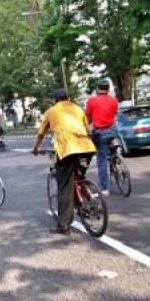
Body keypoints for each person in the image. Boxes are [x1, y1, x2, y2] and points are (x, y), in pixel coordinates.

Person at [31, 88, 96, 235]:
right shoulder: (78, 109)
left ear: (55, 101)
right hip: (87, 148)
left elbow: (41, 133)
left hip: (67, 150)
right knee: (78, 176)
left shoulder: (51, 111)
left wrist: (35, 148)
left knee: (64, 187)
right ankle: (85, 196)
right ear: (69, 98)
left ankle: (63, 225)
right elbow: (86, 127)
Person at [85, 79, 119, 197]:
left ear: (97, 89)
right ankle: (117, 157)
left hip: (101, 133)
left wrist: (86, 129)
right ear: (108, 89)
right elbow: (114, 114)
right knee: (114, 144)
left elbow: (88, 118)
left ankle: (104, 189)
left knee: (102, 160)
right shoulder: (114, 100)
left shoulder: (92, 101)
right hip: (113, 131)